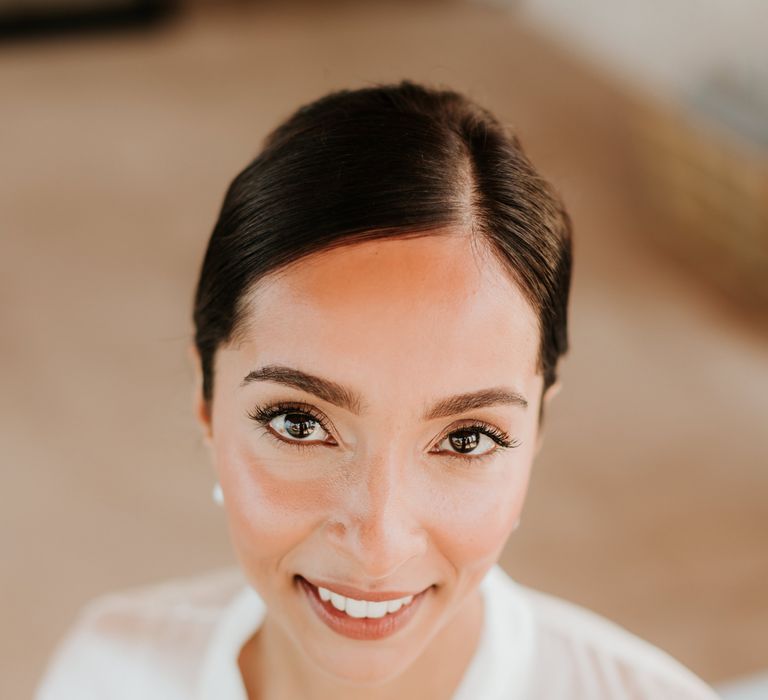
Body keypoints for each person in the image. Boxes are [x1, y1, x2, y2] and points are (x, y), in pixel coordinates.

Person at [36, 80, 719, 700]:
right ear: (207, 401)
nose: (377, 546)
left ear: (537, 430)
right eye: (298, 423)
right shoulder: (108, 675)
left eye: (467, 437)